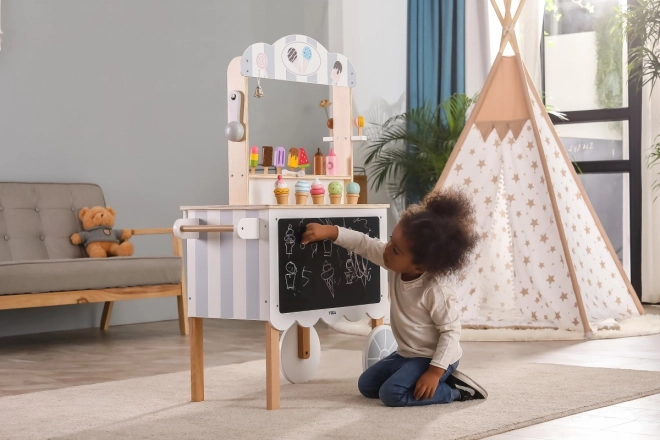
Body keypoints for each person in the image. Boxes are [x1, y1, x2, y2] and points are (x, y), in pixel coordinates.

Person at [301, 187, 487, 407]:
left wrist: (435, 372)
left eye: (396, 249)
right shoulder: (396, 263)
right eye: (391, 240)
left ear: (422, 265)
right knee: (367, 386)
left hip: (434, 358)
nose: (387, 249)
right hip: (407, 354)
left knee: (392, 394)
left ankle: (455, 391)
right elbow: (363, 243)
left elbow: (451, 333)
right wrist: (331, 232)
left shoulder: (435, 290)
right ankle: (415, 376)